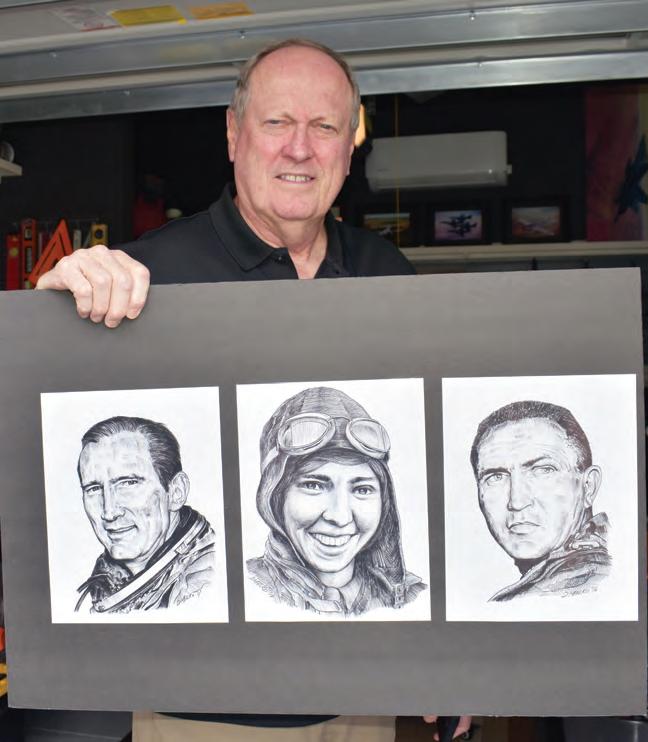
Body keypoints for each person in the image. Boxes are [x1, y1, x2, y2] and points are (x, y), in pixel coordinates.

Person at [36, 35, 471, 742]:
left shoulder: (386, 273)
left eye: (324, 126)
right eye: (277, 122)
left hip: (362, 696)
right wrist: (53, 308)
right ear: (234, 134)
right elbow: (45, 438)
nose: (300, 148)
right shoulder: (146, 277)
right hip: (202, 709)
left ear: (351, 146)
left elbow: (428, 481)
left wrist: (462, 652)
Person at [247, 386, 426, 616]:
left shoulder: (413, 598)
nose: (340, 517)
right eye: (314, 486)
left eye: (362, 489)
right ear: (274, 497)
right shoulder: (247, 589)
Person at [470, 399, 611, 602]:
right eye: (496, 476)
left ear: (588, 486)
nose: (516, 502)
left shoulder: (587, 583)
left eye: (543, 470)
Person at [75, 416, 216, 613]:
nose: (109, 512)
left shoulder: (207, 585)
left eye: (128, 483)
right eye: (93, 489)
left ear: (176, 492)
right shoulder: (101, 586)